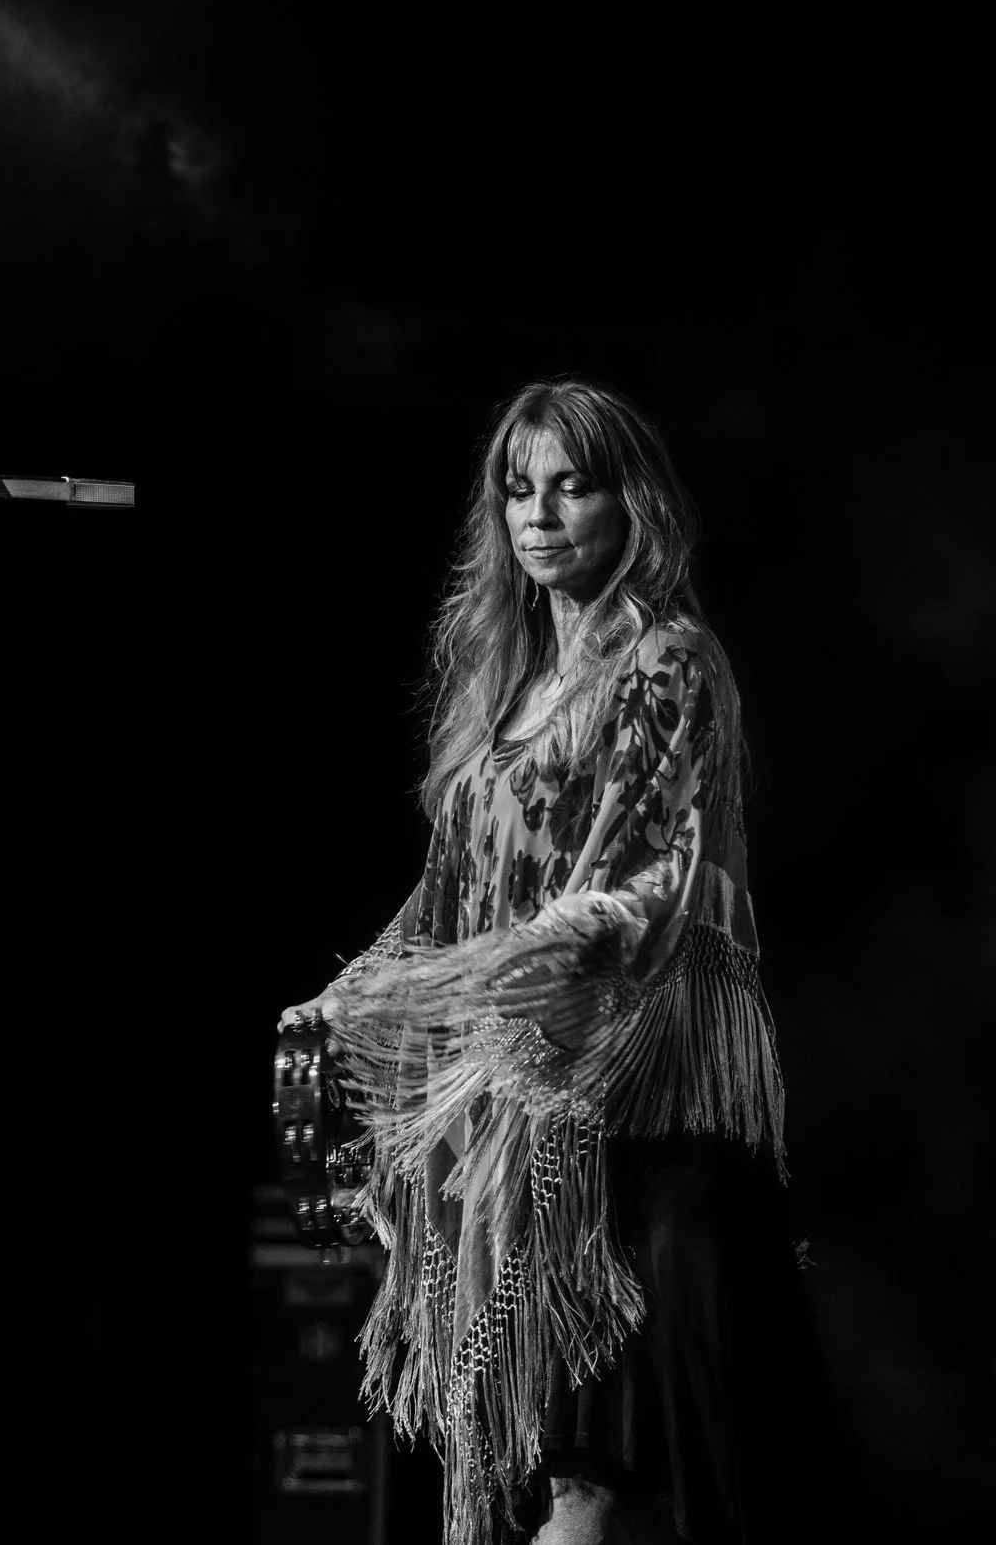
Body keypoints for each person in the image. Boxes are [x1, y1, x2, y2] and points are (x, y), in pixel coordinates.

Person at [279, 381, 801, 1545]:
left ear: (635, 500)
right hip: (534, 1118)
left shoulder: (666, 659)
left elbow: (648, 873)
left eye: (572, 483)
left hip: (641, 1111)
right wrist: (352, 992)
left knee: (608, 1482)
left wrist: (508, 965)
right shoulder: (504, 696)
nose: (539, 513)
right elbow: (447, 893)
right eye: (519, 488)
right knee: (560, 1481)